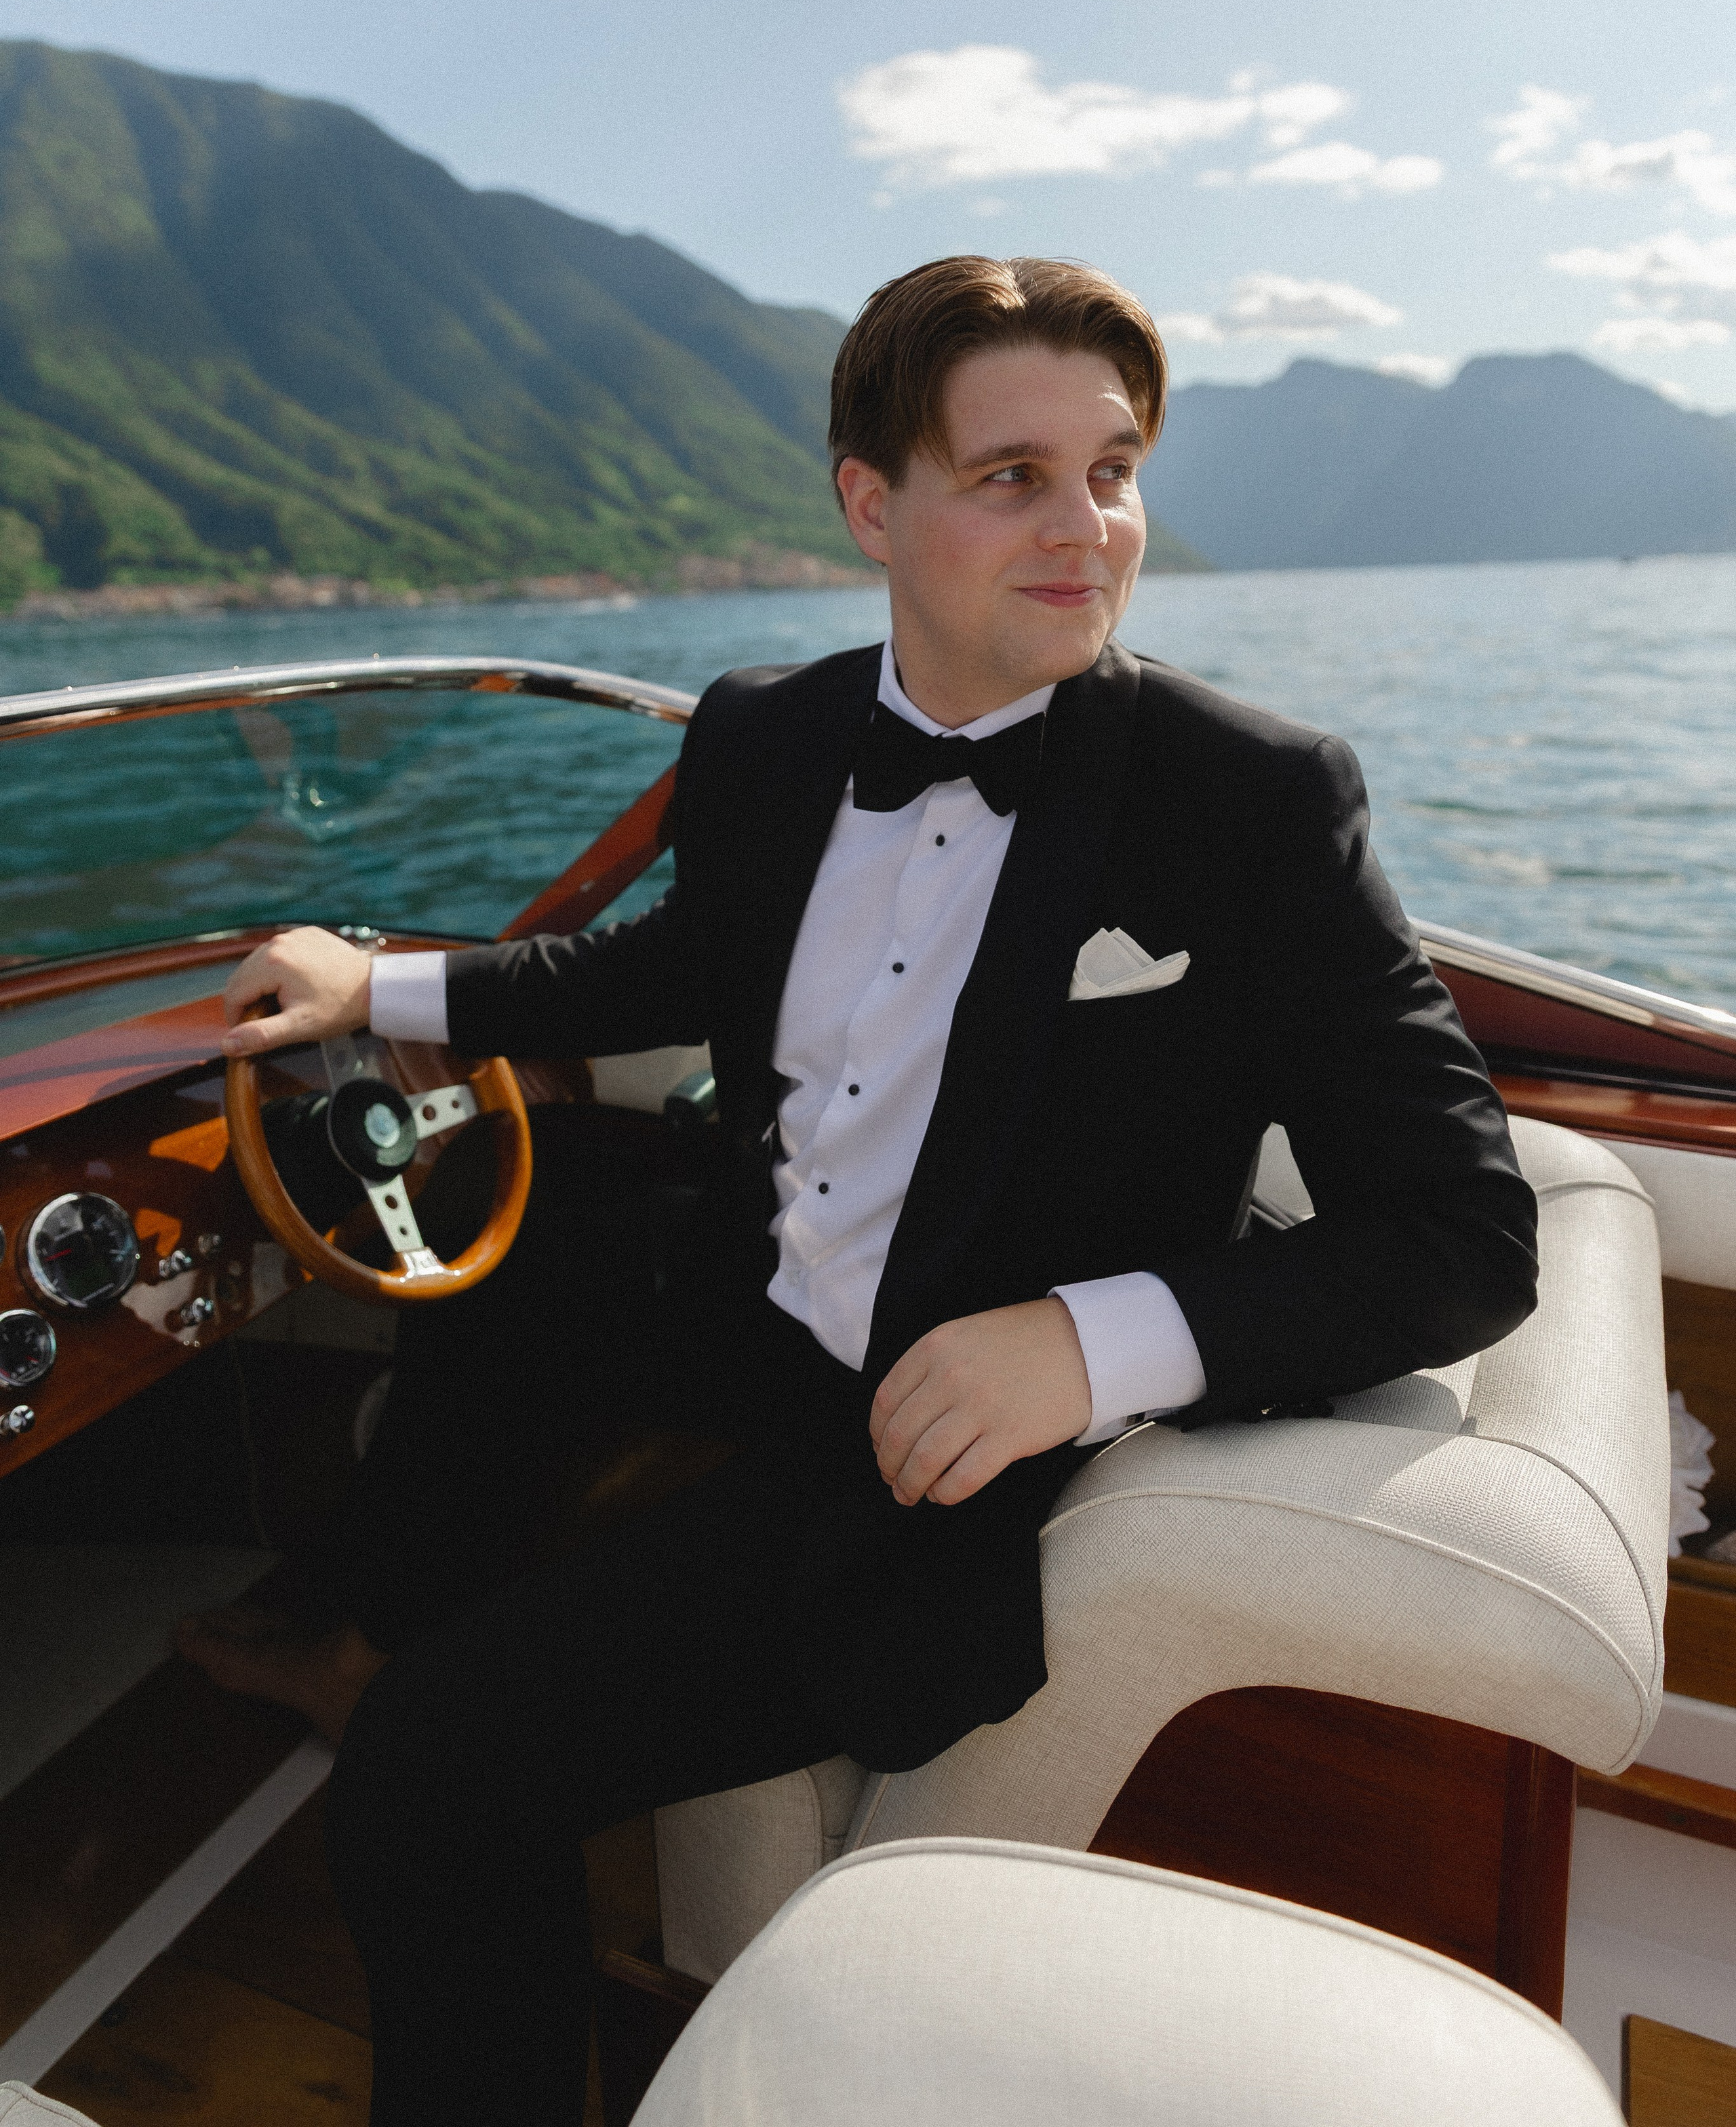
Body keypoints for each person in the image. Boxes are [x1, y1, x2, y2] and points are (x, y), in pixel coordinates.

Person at [185, 256, 1538, 2126]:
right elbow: (669, 969)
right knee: (537, 1226)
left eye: (1113, 474)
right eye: (1013, 478)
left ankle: (396, 1691)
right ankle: (366, 1614)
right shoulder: (765, 731)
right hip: (761, 1289)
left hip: (918, 1442)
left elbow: (1465, 1234)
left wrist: (1081, 1346)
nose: (1086, 530)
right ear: (870, 505)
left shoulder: (1250, 799)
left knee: (431, 1773)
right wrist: (380, 987)